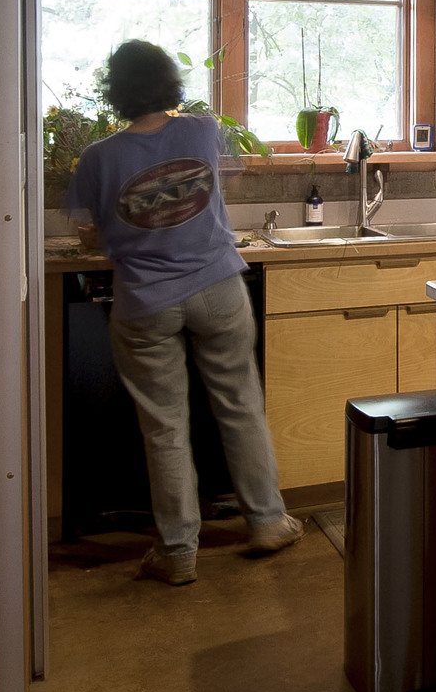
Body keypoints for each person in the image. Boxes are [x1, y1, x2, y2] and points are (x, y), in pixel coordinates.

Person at [66, 40, 302, 584]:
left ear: (115, 91)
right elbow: (232, 174)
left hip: (144, 300)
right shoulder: (200, 129)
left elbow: (90, 227)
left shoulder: (100, 157)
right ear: (170, 83)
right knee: (241, 406)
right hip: (217, 286)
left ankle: (177, 554)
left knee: (164, 428)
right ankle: (267, 522)